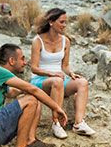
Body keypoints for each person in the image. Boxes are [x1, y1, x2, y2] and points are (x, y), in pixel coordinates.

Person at [0, 44, 66, 147]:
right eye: (22, 59)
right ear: (12, 61)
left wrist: (28, 91)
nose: (25, 63)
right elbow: (32, 89)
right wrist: (56, 108)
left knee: (33, 97)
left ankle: (30, 140)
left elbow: (13, 92)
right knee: (31, 99)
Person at [30, 8, 96, 138]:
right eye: (61, 22)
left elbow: (64, 66)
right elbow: (34, 68)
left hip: (58, 80)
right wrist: (51, 74)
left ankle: (79, 124)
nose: (64, 25)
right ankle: (56, 123)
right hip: (40, 81)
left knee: (82, 82)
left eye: (66, 22)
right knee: (57, 81)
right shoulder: (37, 41)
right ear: (51, 22)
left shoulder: (66, 41)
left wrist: (70, 73)